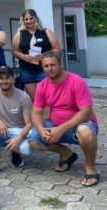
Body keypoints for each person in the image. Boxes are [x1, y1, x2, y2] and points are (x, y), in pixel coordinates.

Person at [29, 51, 99, 187]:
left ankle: (90, 168)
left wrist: (60, 130)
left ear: (61, 64)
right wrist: (41, 130)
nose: (50, 68)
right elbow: (36, 113)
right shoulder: (42, 86)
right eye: (46, 66)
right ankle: (66, 153)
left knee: (85, 131)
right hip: (56, 126)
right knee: (33, 140)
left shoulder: (77, 81)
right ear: (42, 68)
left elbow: (86, 112)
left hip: (81, 125)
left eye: (53, 65)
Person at [12, 9, 61, 101]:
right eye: (26, 19)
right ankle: (37, 115)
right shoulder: (20, 34)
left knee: (47, 97)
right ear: (23, 21)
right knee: (34, 99)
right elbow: (14, 51)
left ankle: (49, 115)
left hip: (44, 69)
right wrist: (23, 56)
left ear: (36, 19)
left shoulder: (46, 32)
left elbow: (57, 49)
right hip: (27, 70)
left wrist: (44, 56)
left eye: (31, 18)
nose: (29, 21)